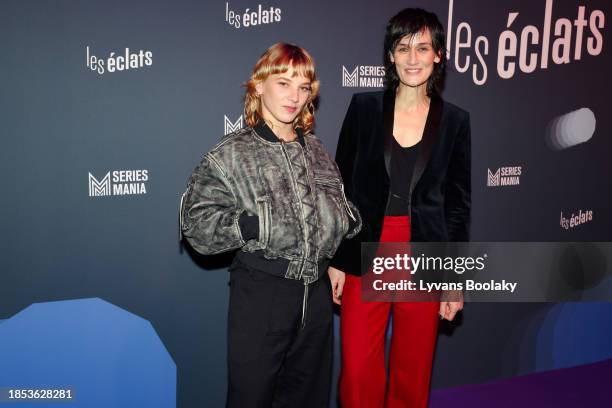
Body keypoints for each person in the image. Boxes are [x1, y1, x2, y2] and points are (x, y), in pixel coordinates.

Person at [180, 43, 361, 408]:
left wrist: (343, 227)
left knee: (308, 399)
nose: (295, 96)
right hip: (262, 293)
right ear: (259, 86)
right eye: (284, 83)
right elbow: (196, 226)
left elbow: (341, 208)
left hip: (317, 295)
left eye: (304, 87)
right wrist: (251, 225)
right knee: (252, 399)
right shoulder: (231, 153)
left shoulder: (318, 150)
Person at [328, 8, 470, 408]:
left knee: (413, 366)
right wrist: (338, 259)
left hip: (424, 252)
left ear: (438, 54)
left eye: (422, 48)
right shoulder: (363, 108)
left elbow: (458, 206)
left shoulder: (457, 122)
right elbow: (341, 186)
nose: (412, 58)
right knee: (357, 369)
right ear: (390, 55)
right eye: (403, 47)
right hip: (368, 247)